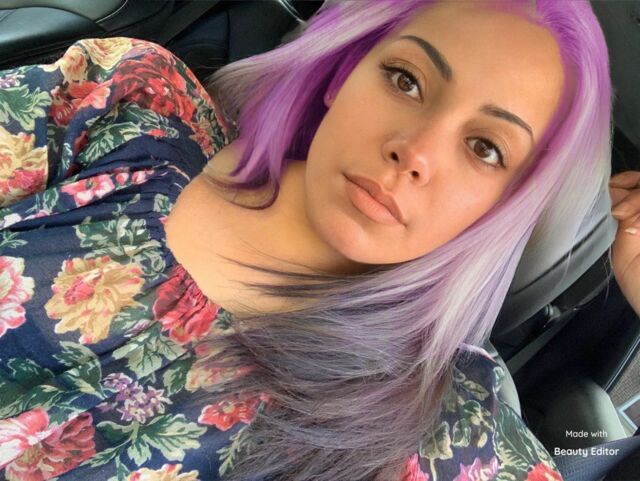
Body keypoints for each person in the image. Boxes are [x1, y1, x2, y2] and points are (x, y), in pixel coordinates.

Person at [0, 0, 635, 480]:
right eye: (406, 80)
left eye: (485, 148)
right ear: (344, 71)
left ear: (504, 207)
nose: (413, 152)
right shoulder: (134, 101)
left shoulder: (448, 422)